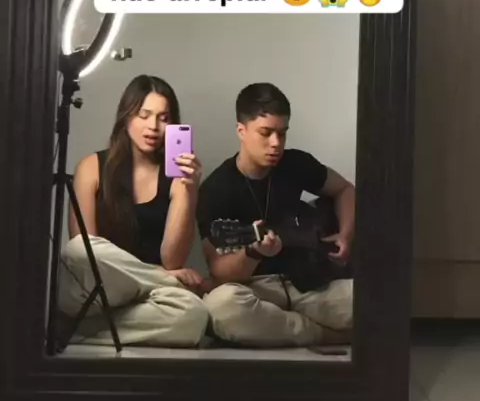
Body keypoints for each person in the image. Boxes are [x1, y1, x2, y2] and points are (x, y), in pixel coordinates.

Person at [198, 82, 355, 348]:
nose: (276, 143)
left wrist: (346, 234)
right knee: (221, 307)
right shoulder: (216, 190)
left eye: (282, 134)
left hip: (310, 284)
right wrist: (254, 253)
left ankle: (284, 328)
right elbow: (220, 273)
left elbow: (345, 189)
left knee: (380, 298)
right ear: (241, 131)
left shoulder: (296, 163)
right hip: (257, 290)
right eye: (266, 133)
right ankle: (323, 334)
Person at [58, 74, 210, 347]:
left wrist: (189, 192)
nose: (153, 126)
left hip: (149, 299)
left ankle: (79, 330)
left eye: (163, 118)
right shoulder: (91, 167)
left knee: (193, 315)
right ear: (126, 117)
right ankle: (156, 287)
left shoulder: (177, 178)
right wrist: (162, 276)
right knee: (78, 249)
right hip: (94, 291)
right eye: (144, 115)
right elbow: (85, 255)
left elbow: (173, 261)